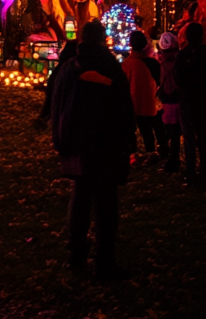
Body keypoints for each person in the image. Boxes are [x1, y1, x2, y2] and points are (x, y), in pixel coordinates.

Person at [50, 19, 136, 280]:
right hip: (105, 144)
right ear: (102, 39)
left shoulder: (67, 68)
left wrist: (60, 137)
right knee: (106, 204)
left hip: (76, 142)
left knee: (80, 198)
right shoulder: (110, 66)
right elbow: (123, 106)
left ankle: (76, 256)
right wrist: (128, 141)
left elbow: (57, 104)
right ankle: (104, 260)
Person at [174, 22, 206, 187]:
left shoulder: (183, 55)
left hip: (189, 100)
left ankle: (191, 172)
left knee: (189, 137)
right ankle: (204, 171)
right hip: (203, 100)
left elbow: (177, 77)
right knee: (205, 136)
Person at [122, 30, 161, 162]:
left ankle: (132, 153)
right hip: (149, 102)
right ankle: (151, 150)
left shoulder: (125, 65)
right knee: (147, 128)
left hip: (130, 103)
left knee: (130, 129)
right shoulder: (153, 63)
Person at [156, 31, 182, 172]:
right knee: (175, 130)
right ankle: (172, 157)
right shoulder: (179, 60)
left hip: (170, 98)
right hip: (176, 98)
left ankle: (172, 159)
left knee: (172, 130)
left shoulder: (165, 62)